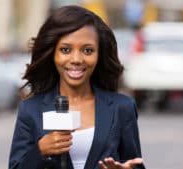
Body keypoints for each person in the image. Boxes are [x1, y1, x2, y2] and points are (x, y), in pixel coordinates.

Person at [9, 5, 145, 169]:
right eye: (65, 50)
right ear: (53, 53)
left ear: (99, 54)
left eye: (87, 50)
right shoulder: (31, 109)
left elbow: (135, 163)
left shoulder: (122, 107)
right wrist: (40, 151)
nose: (76, 59)